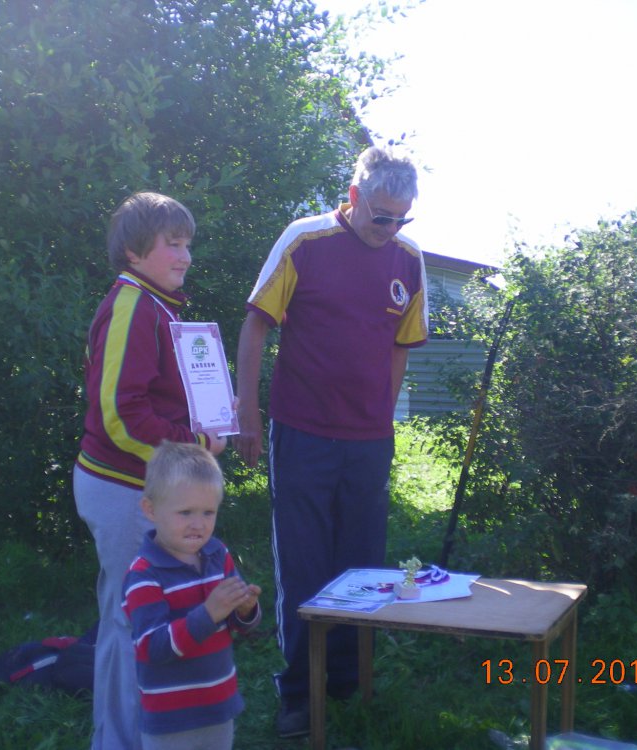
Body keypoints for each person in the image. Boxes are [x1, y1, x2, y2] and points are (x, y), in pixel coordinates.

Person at [234, 146, 428, 737]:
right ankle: (298, 692)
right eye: (381, 215)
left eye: (401, 218)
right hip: (301, 431)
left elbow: (401, 345)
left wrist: (383, 418)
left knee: (362, 563)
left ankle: (346, 681)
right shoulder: (304, 240)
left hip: (369, 440)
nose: (389, 228)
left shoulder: (409, 259)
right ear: (353, 196)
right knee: (304, 562)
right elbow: (256, 324)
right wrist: (247, 412)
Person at [73, 192, 228, 750]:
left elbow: (159, 400)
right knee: (128, 619)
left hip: (145, 485)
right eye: (173, 244)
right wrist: (197, 444)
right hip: (121, 486)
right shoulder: (133, 304)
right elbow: (119, 415)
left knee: (143, 614)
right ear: (135, 252)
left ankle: (149, 734)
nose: (186, 255)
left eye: (188, 244)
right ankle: (117, 741)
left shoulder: (158, 305)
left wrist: (212, 419)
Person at [122, 441, 262, 750]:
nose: (198, 524)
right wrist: (209, 614)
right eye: (185, 512)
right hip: (170, 719)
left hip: (219, 706)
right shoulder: (143, 575)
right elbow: (153, 648)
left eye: (208, 512)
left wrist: (245, 610)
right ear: (150, 510)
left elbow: (238, 625)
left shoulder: (218, 554)